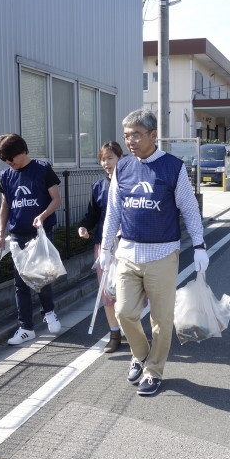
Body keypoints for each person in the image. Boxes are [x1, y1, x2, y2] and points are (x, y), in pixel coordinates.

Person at [100, 109, 209, 396]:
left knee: (161, 319)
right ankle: (140, 352)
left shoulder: (172, 167)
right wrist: (106, 247)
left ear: (152, 135)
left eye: (136, 134)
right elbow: (113, 211)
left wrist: (199, 244)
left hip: (162, 254)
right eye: (126, 136)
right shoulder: (122, 167)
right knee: (124, 312)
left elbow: (189, 208)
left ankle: (154, 371)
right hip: (128, 252)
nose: (130, 140)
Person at [0, 133, 62, 345]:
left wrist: (42, 216)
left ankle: (49, 312)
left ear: (23, 152)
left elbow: (56, 199)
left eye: (11, 158)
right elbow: (5, 206)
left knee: (41, 276)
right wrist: (1, 234)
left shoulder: (42, 169)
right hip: (16, 234)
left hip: (40, 233)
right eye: (4, 159)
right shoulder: (6, 175)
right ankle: (25, 327)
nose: (8, 162)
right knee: (20, 282)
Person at [78, 141, 125, 353]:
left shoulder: (131, 183)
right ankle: (114, 334)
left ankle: (131, 329)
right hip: (104, 246)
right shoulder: (98, 186)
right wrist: (84, 227)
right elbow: (93, 214)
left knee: (131, 290)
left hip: (129, 244)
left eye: (110, 158)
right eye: (103, 159)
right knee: (107, 291)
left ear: (121, 158)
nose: (106, 163)